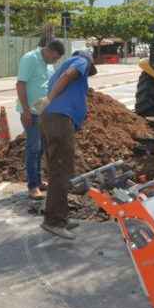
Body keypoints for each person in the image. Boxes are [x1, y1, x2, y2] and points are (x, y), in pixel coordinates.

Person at [34, 50, 98, 240]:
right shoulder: (81, 61)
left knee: (58, 169)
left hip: (52, 118)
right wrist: (50, 99)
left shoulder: (62, 67)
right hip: (59, 119)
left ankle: (59, 217)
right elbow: (69, 75)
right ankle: (54, 221)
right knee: (61, 170)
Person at [16, 40, 65, 200]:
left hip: (44, 112)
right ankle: (32, 186)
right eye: (55, 58)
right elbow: (20, 84)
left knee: (41, 148)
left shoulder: (48, 64)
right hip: (31, 112)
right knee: (33, 148)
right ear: (49, 51)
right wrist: (26, 110)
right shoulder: (30, 58)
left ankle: (38, 181)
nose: (55, 61)